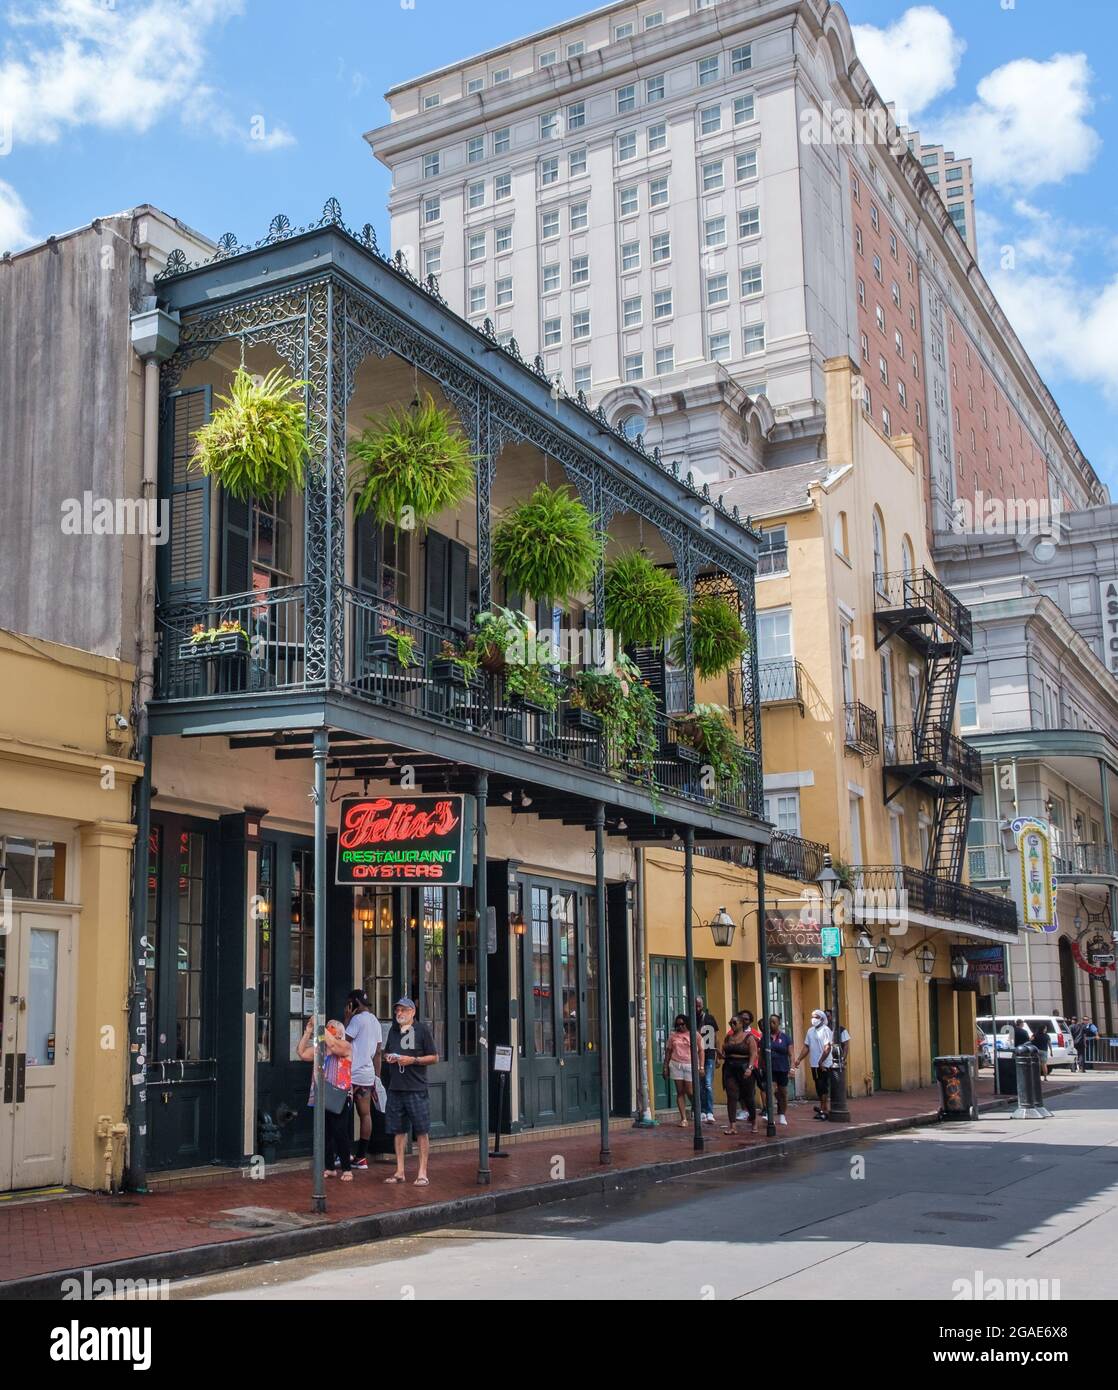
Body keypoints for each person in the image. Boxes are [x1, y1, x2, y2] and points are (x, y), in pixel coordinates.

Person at [382, 996, 438, 1186]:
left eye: (404, 1010)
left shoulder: (422, 1030)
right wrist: (389, 1057)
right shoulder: (393, 1030)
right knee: (398, 1131)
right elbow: (387, 1051)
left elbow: (434, 1057)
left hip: (416, 1087)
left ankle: (423, 1172)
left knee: (421, 1130)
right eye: (397, 1010)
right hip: (396, 1087)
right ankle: (400, 1171)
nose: (399, 1013)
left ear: (413, 1012)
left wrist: (412, 1060)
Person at [296, 1016, 353, 1181]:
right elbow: (301, 1053)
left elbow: (335, 1046)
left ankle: (346, 1168)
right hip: (323, 1094)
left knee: (340, 1131)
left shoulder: (345, 1045)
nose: (330, 1032)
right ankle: (329, 1166)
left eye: (333, 1029)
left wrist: (321, 1026)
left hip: (340, 1095)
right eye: (329, 1029)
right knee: (325, 1132)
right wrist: (308, 1032)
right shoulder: (321, 1048)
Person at [344, 989, 383, 1171]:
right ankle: (361, 1156)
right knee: (365, 1114)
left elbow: (342, 1041)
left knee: (341, 1115)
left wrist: (346, 1018)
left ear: (354, 1004)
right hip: (367, 1074)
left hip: (350, 1074)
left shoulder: (356, 1020)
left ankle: (342, 1154)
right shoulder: (375, 1021)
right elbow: (378, 1052)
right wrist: (377, 1076)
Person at [719, 1015, 759, 1135]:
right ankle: (732, 1125)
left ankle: (754, 1120)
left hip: (744, 1067)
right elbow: (724, 1052)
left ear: (741, 1024)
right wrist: (720, 1056)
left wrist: (750, 1068)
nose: (732, 1025)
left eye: (734, 1023)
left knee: (748, 1097)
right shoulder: (728, 1037)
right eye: (730, 1022)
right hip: (730, 1067)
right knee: (732, 1096)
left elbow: (754, 1054)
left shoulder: (749, 1038)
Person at [664, 1013, 704, 1127]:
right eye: (677, 1025)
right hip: (676, 1064)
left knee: (690, 1091)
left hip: (690, 1064)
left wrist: (701, 1066)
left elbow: (701, 1051)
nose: (680, 1027)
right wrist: (665, 1066)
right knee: (680, 1092)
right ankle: (683, 1118)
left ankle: (695, 1107)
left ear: (687, 1023)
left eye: (682, 1024)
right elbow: (668, 1052)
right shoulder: (673, 1036)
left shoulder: (695, 1035)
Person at [794, 1009, 833, 1120]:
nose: (813, 1019)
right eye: (812, 1017)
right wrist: (799, 1059)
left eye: (816, 1017)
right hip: (814, 1063)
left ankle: (824, 1109)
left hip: (824, 1063)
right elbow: (807, 1047)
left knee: (823, 1086)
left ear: (821, 1018)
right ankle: (822, 1107)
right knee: (818, 1086)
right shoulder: (810, 1031)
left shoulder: (826, 1030)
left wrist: (821, 1061)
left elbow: (827, 1047)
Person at [695, 996, 718, 1125]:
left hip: (709, 1054)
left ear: (702, 1005)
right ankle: (701, 1110)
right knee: (699, 1085)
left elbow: (715, 1036)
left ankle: (709, 1111)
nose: (697, 1007)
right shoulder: (690, 1019)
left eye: (699, 1005)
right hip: (695, 1055)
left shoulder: (709, 1018)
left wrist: (717, 1054)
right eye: (695, 1005)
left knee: (708, 1084)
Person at [768, 1014, 793, 1126]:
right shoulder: (766, 1037)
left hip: (782, 1067)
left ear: (778, 1023)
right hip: (770, 1068)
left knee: (782, 1092)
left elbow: (791, 1054)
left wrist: (792, 1068)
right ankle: (770, 1114)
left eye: (774, 1022)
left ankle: (782, 1114)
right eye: (770, 1022)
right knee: (770, 1090)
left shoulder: (785, 1038)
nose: (771, 1024)